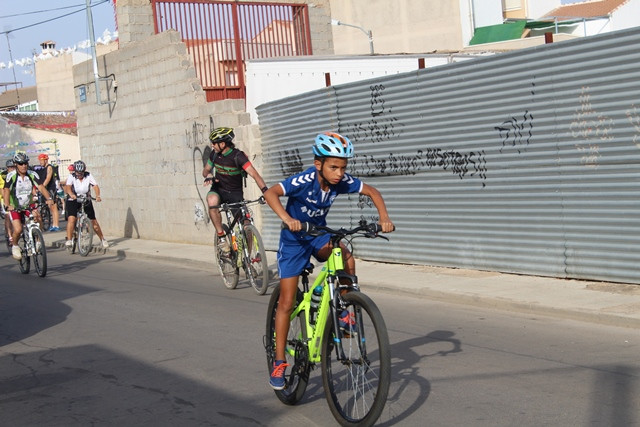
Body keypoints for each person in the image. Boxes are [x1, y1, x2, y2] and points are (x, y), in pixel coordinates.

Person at [263, 131, 394, 390]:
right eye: (333, 167)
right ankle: (279, 361)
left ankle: (345, 308)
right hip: (293, 242)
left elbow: (373, 191)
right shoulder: (303, 180)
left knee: (345, 255)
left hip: (317, 236)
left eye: (343, 167)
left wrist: (384, 218)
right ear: (318, 164)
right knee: (287, 302)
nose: (339, 173)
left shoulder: (340, 181)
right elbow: (271, 194)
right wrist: (287, 219)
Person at [201, 127, 268, 252]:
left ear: (222, 144)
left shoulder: (238, 156)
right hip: (219, 189)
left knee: (246, 224)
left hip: (235, 193)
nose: (212, 145)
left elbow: (254, 174)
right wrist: (209, 176)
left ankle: (247, 256)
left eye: (214, 143)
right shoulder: (214, 155)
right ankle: (221, 237)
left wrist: (265, 191)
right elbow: (205, 171)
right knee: (211, 200)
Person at [2, 153, 54, 260]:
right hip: (15, 206)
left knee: (38, 217)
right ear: (16, 164)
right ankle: (15, 245)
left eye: (25, 163)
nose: (24, 166)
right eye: (21, 164)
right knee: (18, 229)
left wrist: (48, 199)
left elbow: (40, 187)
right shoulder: (11, 176)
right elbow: (6, 190)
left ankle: (38, 241)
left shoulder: (32, 174)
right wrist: (7, 205)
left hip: (28, 204)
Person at [63, 160, 109, 249]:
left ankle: (102, 239)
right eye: (78, 173)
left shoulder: (88, 175)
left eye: (81, 173)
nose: (79, 175)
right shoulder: (71, 176)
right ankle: (69, 239)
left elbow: (95, 186)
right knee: (72, 219)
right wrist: (71, 194)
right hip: (73, 199)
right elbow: (68, 187)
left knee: (93, 221)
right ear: (75, 171)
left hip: (85, 198)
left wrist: (97, 196)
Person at [36, 153, 61, 231]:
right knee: (51, 208)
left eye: (41, 160)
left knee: (54, 207)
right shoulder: (43, 168)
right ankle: (53, 224)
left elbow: (48, 178)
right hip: (46, 189)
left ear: (46, 160)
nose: (40, 162)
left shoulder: (49, 167)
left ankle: (56, 225)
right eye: (39, 160)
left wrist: (42, 187)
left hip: (51, 189)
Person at [1, 159, 16, 243]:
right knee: (8, 216)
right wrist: (7, 203)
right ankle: (10, 236)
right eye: (10, 167)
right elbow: (3, 190)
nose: (12, 169)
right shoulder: (3, 175)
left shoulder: (16, 174)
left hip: (14, 197)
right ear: (7, 168)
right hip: (4, 198)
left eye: (13, 167)